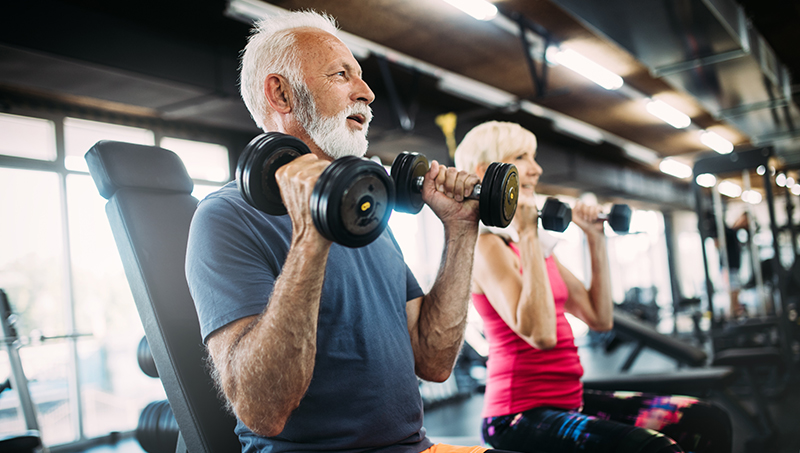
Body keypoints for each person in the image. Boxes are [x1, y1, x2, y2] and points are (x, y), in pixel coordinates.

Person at [185, 10, 512, 453]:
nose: (368, 93)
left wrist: (460, 229)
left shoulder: (365, 213)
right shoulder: (225, 217)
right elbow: (262, 410)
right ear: (281, 93)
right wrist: (310, 237)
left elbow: (433, 361)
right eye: (342, 75)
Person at [454, 121, 733, 453]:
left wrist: (594, 238)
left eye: (534, 157)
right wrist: (527, 234)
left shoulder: (534, 249)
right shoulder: (487, 248)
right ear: (487, 171)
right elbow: (540, 334)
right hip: (517, 414)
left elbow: (599, 318)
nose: (537, 169)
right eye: (522, 157)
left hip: (568, 398)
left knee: (708, 420)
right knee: (655, 449)